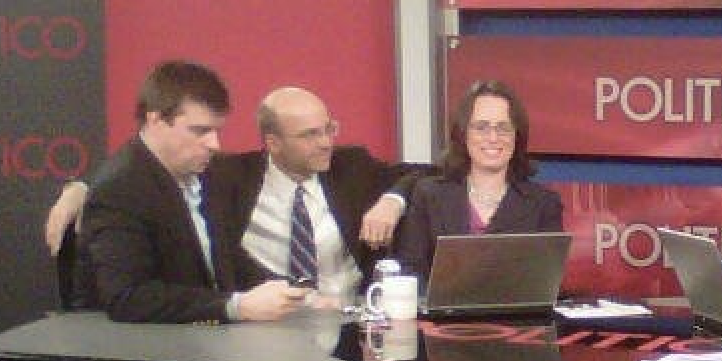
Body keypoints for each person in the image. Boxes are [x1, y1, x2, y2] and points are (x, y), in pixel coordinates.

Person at [47, 87, 430, 307]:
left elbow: (426, 173)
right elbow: (145, 170)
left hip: (349, 323)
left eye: (328, 128)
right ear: (272, 143)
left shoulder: (353, 166)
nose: (326, 142)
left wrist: (391, 200)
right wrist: (80, 188)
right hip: (268, 327)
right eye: (309, 135)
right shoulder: (228, 176)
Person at [79, 60, 310, 323]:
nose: (214, 144)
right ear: (155, 119)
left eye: (216, 131)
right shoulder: (119, 189)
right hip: (146, 351)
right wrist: (236, 306)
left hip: (207, 341)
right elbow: (129, 297)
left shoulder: (206, 173)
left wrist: (293, 293)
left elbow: (225, 257)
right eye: (199, 131)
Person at [393, 80, 563, 281]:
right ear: (463, 135)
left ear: (516, 137)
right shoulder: (429, 196)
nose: (493, 138)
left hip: (516, 313)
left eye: (503, 128)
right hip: (441, 312)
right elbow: (411, 274)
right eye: (481, 127)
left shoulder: (544, 204)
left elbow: (548, 282)